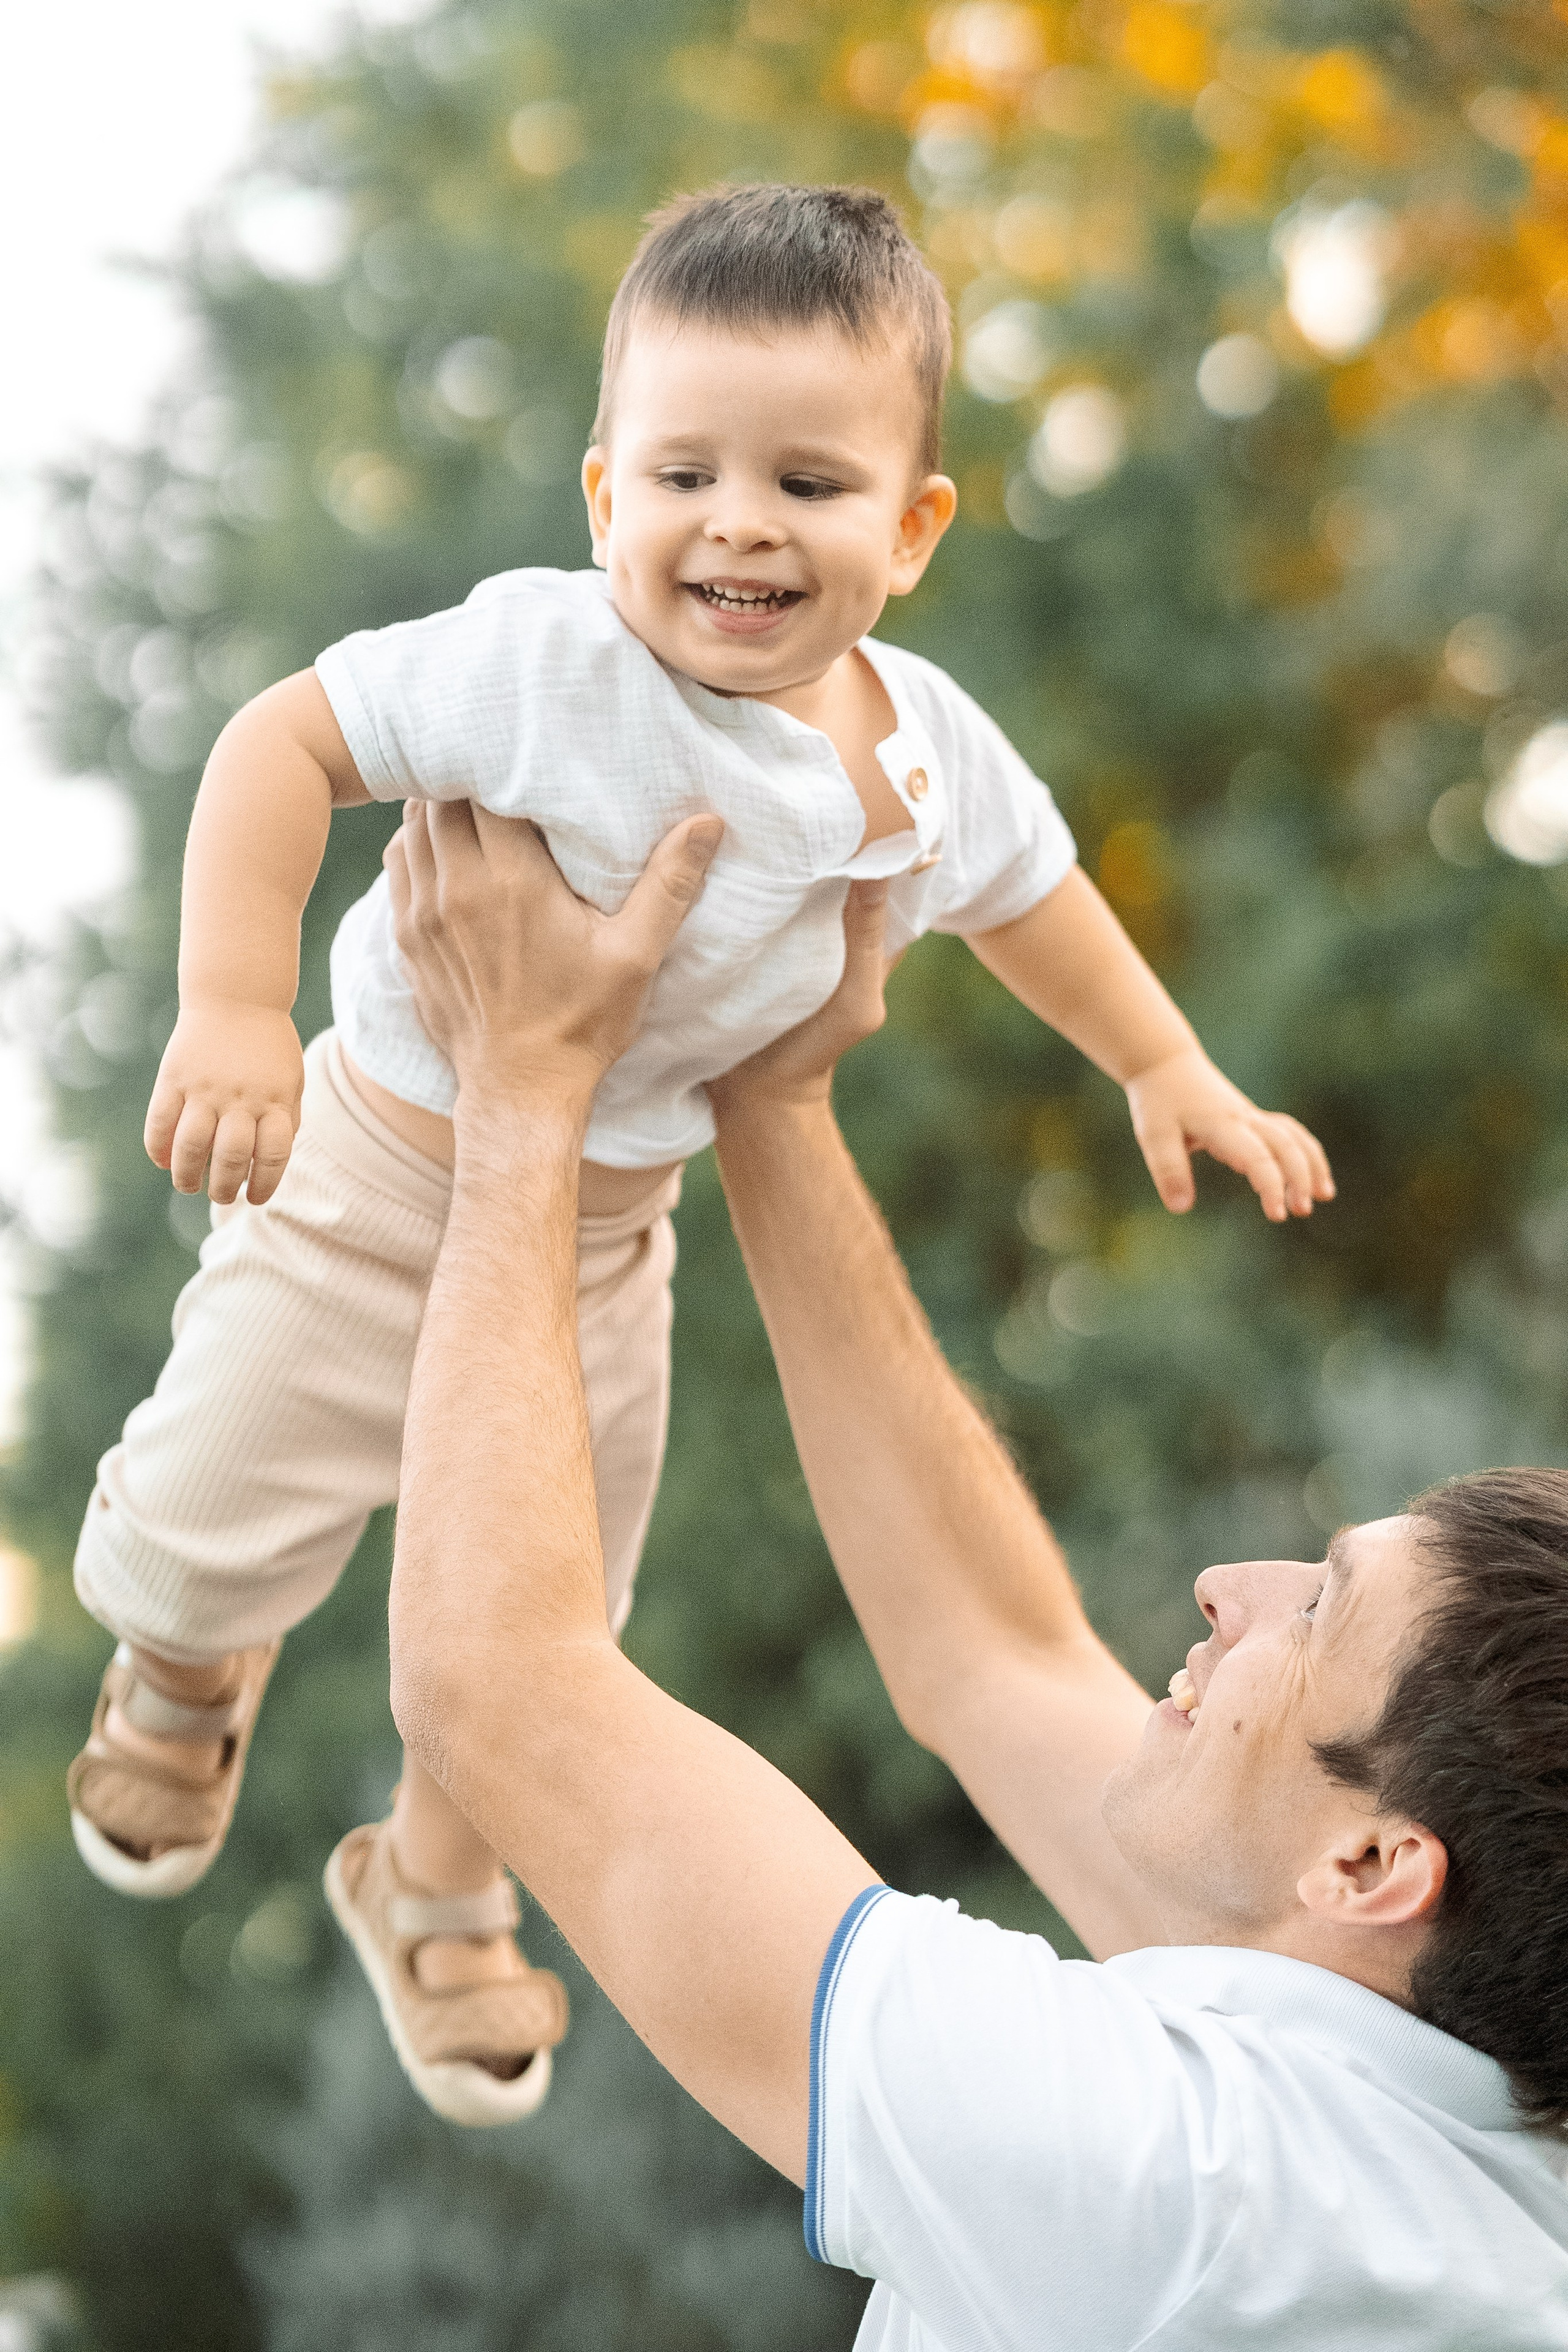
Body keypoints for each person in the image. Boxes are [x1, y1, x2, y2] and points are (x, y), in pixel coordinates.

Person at [67, 181, 1331, 2122]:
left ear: (909, 531)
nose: (737, 520)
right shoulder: (544, 666)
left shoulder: (925, 752)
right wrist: (234, 1006)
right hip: (369, 1178)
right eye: (684, 473)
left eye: (809, 483)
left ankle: (438, 1887)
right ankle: (179, 1673)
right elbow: (279, 742)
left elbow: (1036, 897)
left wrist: (1163, 1061)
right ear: (601, 499)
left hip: (605, 1239)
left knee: (566, 1585)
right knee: (226, 1478)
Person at [380, 799, 1568, 2351]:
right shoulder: (1442, 2121)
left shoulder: (1190, 2194)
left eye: (1321, 1606)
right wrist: (771, 1092)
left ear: (1367, 1870)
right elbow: (988, 1656)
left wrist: (525, 1089)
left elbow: (498, 1692)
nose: (1231, 1585)